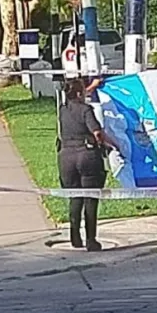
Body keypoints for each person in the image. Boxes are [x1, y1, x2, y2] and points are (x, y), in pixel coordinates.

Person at [57, 77, 115, 251]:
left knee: (75, 197)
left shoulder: (63, 110)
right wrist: (113, 145)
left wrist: (92, 86)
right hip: (87, 157)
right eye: (83, 91)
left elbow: (75, 97)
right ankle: (91, 240)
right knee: (91, 198)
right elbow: (97, 133)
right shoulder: (86, 110)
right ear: (78, 94)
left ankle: (75, 237)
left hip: (66, 158)